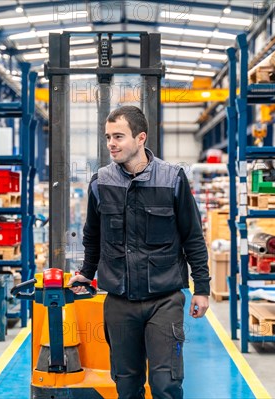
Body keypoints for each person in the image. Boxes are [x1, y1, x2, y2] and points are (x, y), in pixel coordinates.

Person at [68, 105, 210, 399]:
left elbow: (192, 237)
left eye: (118, 136)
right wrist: (85, 274)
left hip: (164, 299)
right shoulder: (101, 182)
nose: (111, 144)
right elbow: (92, 236)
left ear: (141, 137)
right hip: (119, 301)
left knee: (165, 382)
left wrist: (203, 288)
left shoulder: (172, 179)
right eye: (108, 137)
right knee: (127, 383)